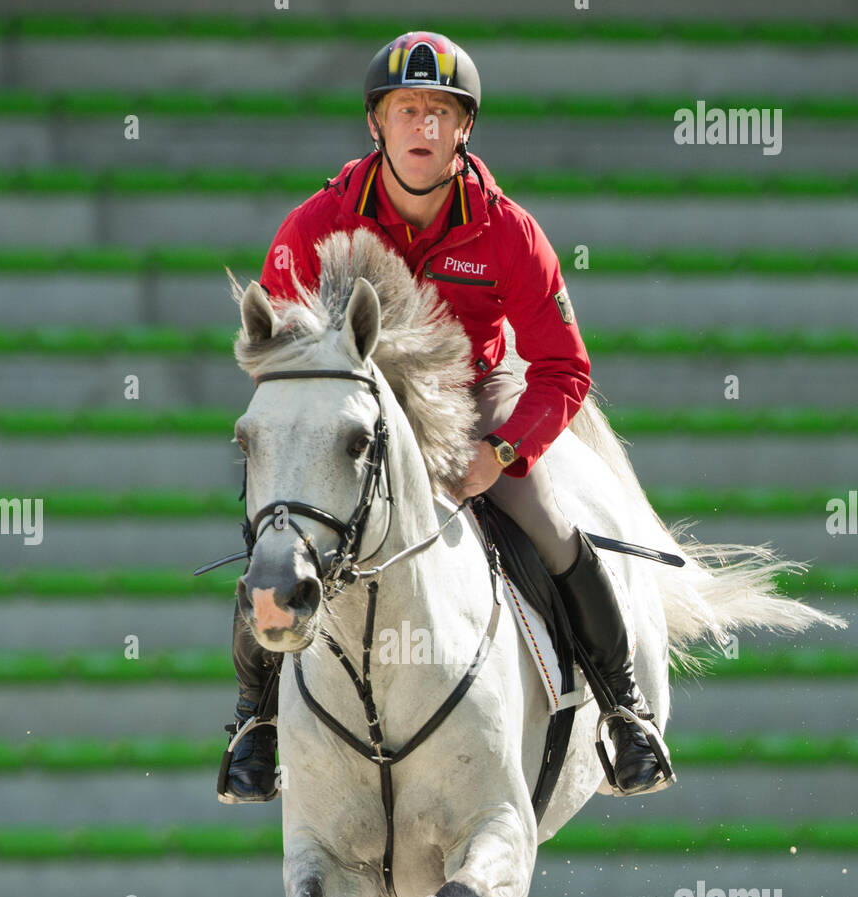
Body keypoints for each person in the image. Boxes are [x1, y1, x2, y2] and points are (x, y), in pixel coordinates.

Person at [218, 30, 672, 804]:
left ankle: (625, 711)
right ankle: (252, 726)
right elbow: (281, 355)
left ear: (463, 128)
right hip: (355, 401)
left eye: (439, 111)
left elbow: (564, 368)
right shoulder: (315, 222)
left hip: (471, 396)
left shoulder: (508, 230)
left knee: (549, 525)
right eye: (406, 110)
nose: (422, 127)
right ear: (376, 123)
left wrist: (500, 453)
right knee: (275, 536)